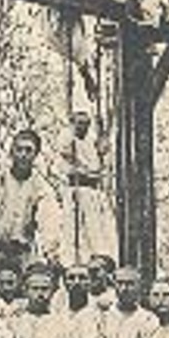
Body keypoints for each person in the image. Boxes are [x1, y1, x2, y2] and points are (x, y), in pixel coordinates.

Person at [0, 128, 65, 267]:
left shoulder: (42, 187)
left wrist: (52, 253)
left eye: (28, 150)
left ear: (36, 154)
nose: (23, 155)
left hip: (22, 254)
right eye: (19, 149)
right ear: (12, 152)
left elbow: (49, 221)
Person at [62, 111, 113, 264]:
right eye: (79, 123)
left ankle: (99, 258)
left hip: (93, 193)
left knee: (96, 231)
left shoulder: (93, 143)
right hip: (76, 190)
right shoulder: (68, 141)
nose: (83, 127)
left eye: (86, 124)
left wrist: (102, 155)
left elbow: (101, 170)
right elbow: (68, 163)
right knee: (75, 231)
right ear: (73, 124)